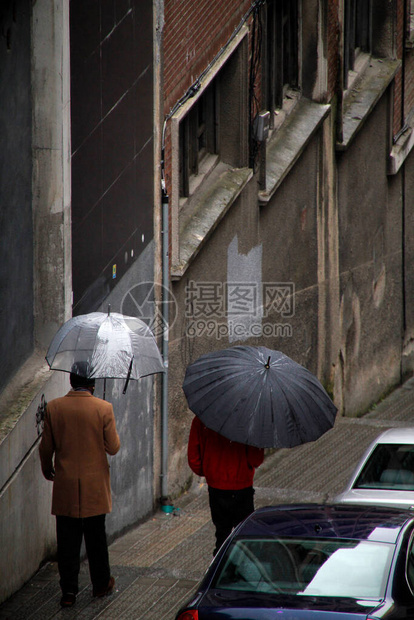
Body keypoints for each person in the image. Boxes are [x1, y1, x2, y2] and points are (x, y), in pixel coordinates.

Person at [39, 363, 120, 608]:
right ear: (93, 384)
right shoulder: (104, 408)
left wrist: (47, 468)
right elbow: (113, 448)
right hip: (95, 487)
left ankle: (69, 593)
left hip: (65, 485)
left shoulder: (54, 408)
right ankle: (100, 584)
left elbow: (46, 447)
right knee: (96, 539)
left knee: (67, 541)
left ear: (72, 382)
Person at [187, 415, 264, 555]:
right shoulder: (248, 419)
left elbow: (193, 456)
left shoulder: (201, 419)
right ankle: (242, 570)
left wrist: (209, 471)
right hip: (242, 487)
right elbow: (255, 460)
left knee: (222, 535)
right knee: (245, 536)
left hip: (216, 487)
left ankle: (220, 569)